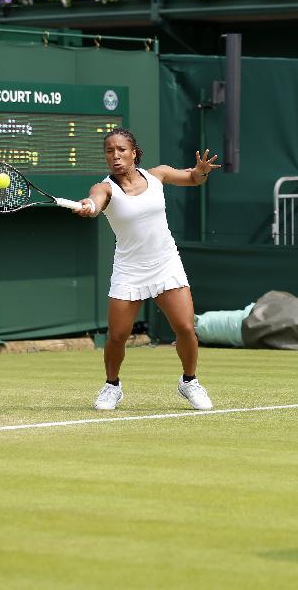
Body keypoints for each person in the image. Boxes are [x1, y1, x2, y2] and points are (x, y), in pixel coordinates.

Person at [74, 128, 221, 411]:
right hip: (129, 269)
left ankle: (189, 381)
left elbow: (193, 179)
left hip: (166, 263)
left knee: (186, 328)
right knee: (117, 336)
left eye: (121, 150)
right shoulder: (104, 188)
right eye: (109, 151)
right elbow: (95, 202)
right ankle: (112, 386)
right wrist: (88, 206)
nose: (115, 156)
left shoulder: (158, 175)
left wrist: (202, 171)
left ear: (134, 152)